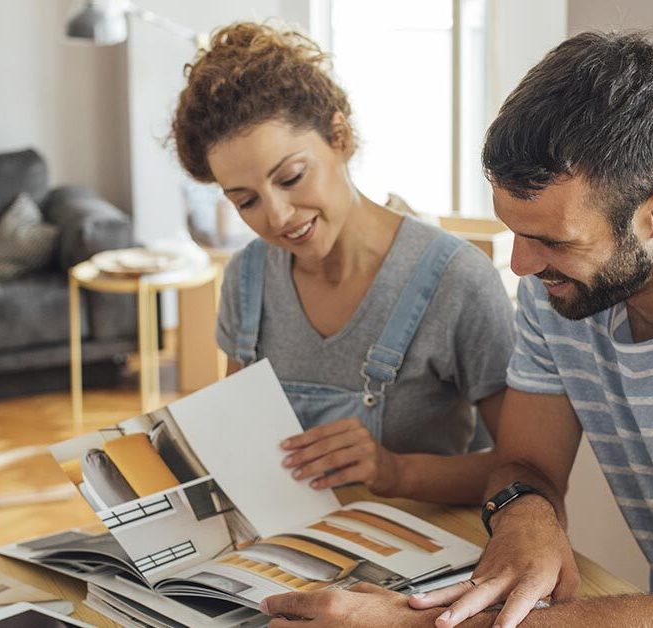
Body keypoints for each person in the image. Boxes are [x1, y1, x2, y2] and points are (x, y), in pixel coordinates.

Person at [260, 30, 653, 627]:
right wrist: (527, 515)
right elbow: (526, 462)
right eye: (515, 232)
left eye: (552, 240)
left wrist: (412, 624)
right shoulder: (559, 292)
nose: (522, 265)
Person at [170, 21, 515, 506]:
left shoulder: (457, 281)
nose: (278, 217)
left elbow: (526, 476)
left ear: (340, 138)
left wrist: (394, 471)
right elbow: (243, 447)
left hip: (418, 565)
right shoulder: (247, 280)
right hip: (287, 558)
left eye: (291, 177)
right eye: (246, 201)